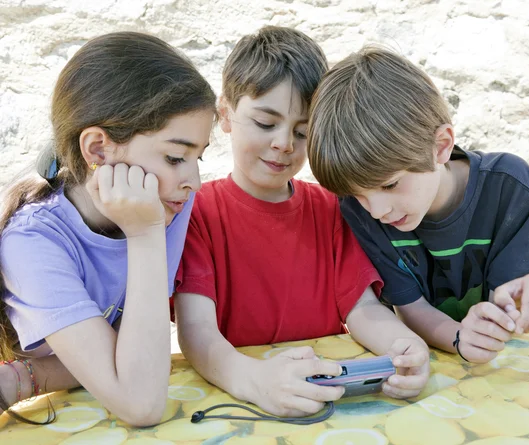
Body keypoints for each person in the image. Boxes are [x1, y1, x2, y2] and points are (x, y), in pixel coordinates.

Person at [174, 26, 430, 418]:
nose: (284, 144)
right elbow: (197, 332)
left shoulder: (332, 208)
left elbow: (363, 308)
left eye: (302, 131)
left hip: (330, 400)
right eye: (265, 123)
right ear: (225, 115)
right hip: (240, 401)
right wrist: (255, 381)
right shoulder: (196, 213)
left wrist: (403, 346)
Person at [306, 47, 529, 365]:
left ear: (441, 146)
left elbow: (511, 300)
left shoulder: (508, 185)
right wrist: (461, 338)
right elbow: (411, 310)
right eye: (358, 194)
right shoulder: (357, 209)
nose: (376, 211)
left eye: (390, 184)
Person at [0, 31, 216, 426]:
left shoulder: (167, 204)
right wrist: (146, 234)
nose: (195, 182)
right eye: (175, 157)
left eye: (197, 157)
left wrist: (33, 378)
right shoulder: (30, 244)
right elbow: (142, 403)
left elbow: (138, 366)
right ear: (98, 149)